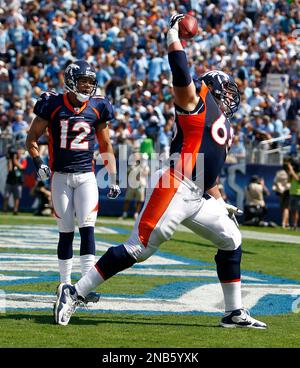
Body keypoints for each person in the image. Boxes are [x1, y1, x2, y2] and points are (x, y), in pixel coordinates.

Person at [53, 14, 266, 329]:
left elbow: (212, 171)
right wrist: (173, 35)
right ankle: (75, 291)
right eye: (226, 89)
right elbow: (180, 72)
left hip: (197, 194)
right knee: (139, 246)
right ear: (213, 88)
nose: (231, 96)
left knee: (231, 238)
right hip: (176, 185)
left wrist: (219, 201)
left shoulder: (220, 123)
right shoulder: (196, 103)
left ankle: (233, 312)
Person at [26, 60, 121, 304]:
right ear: (70, 81)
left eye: (91, 82)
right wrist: (39, 163)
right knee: (65, 231)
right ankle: (64, 283)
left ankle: (85, 286)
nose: (88, 86)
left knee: (88, 228)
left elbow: (106, 144)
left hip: (86, 176)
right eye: (83, 81)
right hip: (60, 176)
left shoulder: (98, 106)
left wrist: (113, 176)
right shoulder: (53, 104)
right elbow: (31, 138)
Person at [3, 146, 27, 215]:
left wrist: (14, 159)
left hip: (18, 181)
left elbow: (21, 167)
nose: (18, 154)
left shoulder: (23, 160)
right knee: (6, 196)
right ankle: (5, 209)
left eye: (19, 152)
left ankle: (15, 210)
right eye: (17, 152)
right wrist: (10, 159)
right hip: (10, 180)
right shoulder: (10, 160)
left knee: (17, 197)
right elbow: (9, 169)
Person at [272, 157, 291, 229]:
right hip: (287, 191)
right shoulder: (289, 173)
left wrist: (279, 187)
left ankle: (286, 223)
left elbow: (275, 181)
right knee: (286, 208)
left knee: (284, 208)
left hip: (281, 191)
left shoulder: (279, 173)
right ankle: (284, 223)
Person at [286, 158, 300, 230]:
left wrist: (291, 170)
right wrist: (290, 173)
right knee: (291, 210)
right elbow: (289, 180)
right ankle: (291, 225)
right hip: (292, 193)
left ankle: (295, 225)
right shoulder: (293, 172)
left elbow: (298, 180)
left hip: (298, 194)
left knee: (296, 210)